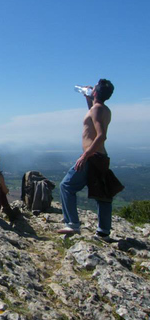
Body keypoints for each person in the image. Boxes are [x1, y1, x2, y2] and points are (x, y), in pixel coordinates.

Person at [58, 79, 123, 242]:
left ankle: (72, 223)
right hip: (100, 156)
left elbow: (101, 135)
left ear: (95, 92)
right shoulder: (102, 109)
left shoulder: (97, 109)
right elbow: (94, 122)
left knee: (67, 186)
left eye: (93, 88)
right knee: (102, 194)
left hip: (92, 157)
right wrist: (88, 99)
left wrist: (85, 155)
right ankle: (103, 232)